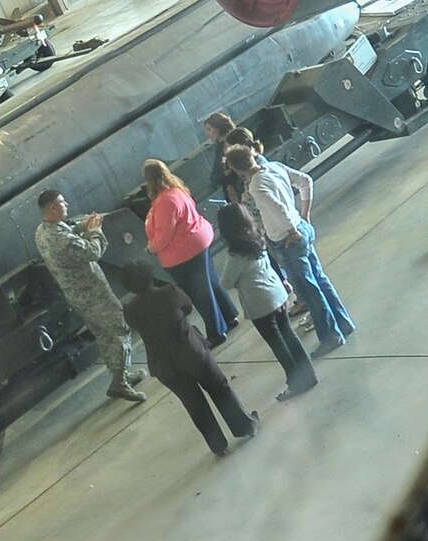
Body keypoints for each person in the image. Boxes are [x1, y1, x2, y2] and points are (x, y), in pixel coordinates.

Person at [115, 266, 258, 457]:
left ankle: (218, 446)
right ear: (150, 276)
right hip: (191, 352)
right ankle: (244, 426)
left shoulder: (130, 310)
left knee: (194, 404)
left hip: (164, 365)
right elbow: (188, 307)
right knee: (219, 388)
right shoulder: (170, 292)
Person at [226, 145, 355, 354]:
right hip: (300, 227)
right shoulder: (274, 167)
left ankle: (331, 336)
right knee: (320, 279)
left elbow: (277, 208)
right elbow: (305, 181)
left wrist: (292, 230)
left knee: (309, 289)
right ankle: (343, 322)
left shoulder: (256, 187)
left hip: (288, 240)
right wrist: (304, 215)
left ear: (236, 168)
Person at [33, 189, 145, 402]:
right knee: (119, 329)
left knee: (103, 336)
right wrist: (95, 230)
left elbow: (66, 232)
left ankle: (120, 374)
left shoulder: (42, 231)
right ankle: (120, 383)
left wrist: (82, 225)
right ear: (53, 208)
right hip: (93, 294)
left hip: (78, 296)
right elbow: (92, 251)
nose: (67, 205)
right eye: (62, 202)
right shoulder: (62, 239)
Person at [215, 204, 320, 400]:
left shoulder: (235, 255)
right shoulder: (258, 237)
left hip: (260, 305)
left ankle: (296, 383)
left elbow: (226, 283)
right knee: (289, 335)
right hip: (278, 295)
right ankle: (309, 376)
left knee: (278, 345)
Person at [140, 158, 235, 346]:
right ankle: (229, 315)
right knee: (211, 283)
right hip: (199, 240)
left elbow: (164, 234)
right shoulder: (176, 190)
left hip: (184, 253)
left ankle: (216, 332)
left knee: (200, 293)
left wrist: (151, 248)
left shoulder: (164, 202)